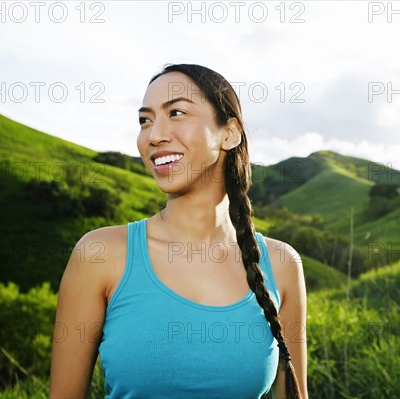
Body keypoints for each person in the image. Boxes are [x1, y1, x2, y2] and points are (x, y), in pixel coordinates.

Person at [49, 64, 308, 398]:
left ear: (228, 133)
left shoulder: (282, 264)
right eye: (145, 119)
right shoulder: (99, 254)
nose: (154, 135)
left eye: (176, 112)